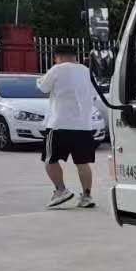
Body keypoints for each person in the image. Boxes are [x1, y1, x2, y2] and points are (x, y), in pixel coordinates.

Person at [36, 44, 101, 208]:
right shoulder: (87, 71)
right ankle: (87, 196)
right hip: (84, 126)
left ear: (59, 56)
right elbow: (94, 95)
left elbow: (43, 87)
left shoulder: (57, 69)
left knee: (49, 160)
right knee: (82, 163)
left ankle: (61, 190)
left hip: (59, 124)